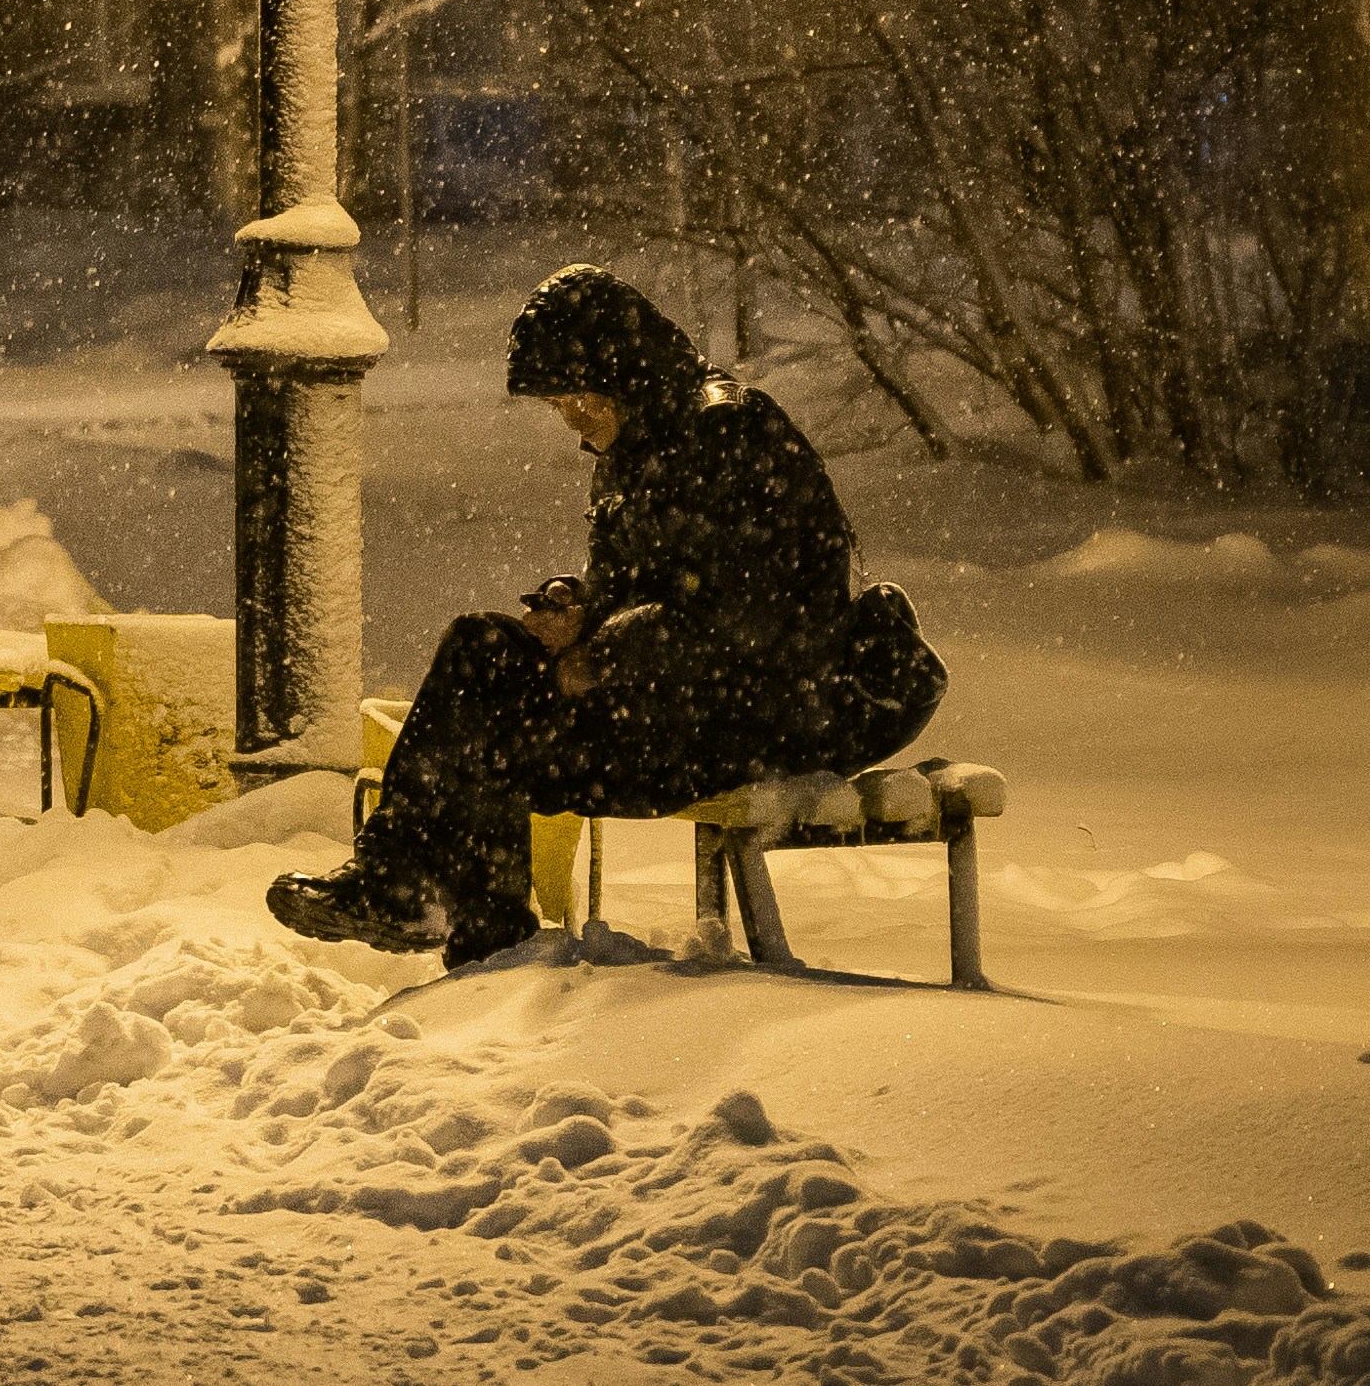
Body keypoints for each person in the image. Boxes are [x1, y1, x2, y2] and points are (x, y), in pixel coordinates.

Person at [266, 265, 945, 969]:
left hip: (757, 717)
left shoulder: (728, 430)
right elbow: (651, 589)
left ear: (625, 374)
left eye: (580, 400)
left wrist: (604, 654)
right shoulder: (634, 447)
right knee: (481, 649)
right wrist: (582, 611)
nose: (573, 421)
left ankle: (475, 930)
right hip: (677, 701)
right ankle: (407, 890)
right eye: (560, 405)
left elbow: (752, 616)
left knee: (491, 734)